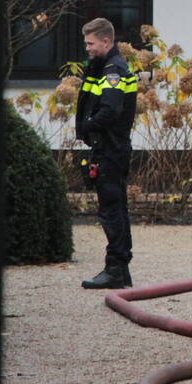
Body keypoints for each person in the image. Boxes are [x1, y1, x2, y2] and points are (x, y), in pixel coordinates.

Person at [75, 17, 139, 288]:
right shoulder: (102, 67)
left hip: (110, 149)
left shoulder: (113, 70)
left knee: (111, 210)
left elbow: (110, 111)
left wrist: (87, 127)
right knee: (116, 208)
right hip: (110, 148)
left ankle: (115, 270)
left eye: (91, 43)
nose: (87, 48)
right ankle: (120, 270)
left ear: (106, 41)